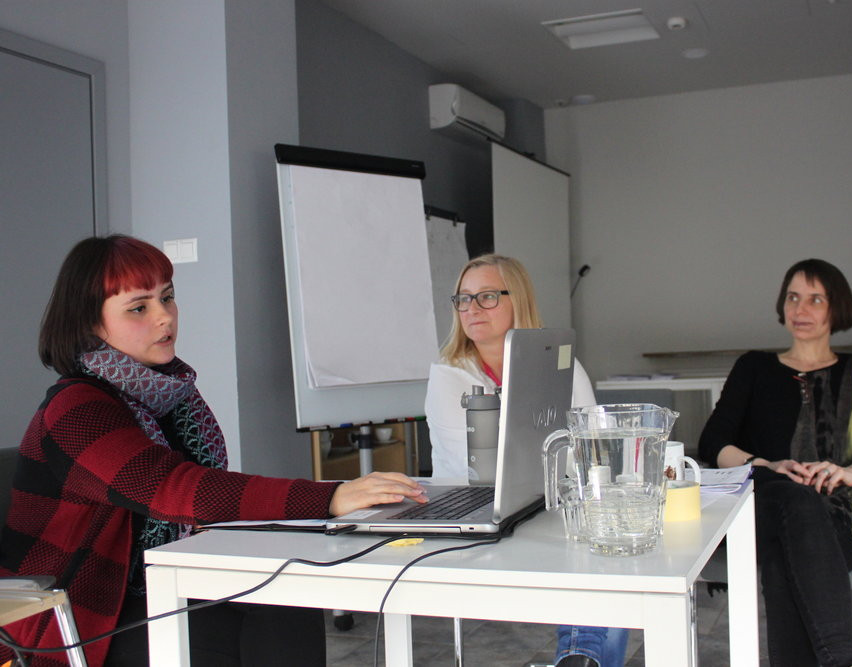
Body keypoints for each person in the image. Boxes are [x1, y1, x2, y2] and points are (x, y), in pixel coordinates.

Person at [0, 235, 427, 667]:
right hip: (74, 617)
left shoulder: (167, 397)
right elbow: (176, 490)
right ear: (90, 323)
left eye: (167, 297)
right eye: (139, 308)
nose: (165, 316)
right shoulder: (75, 408)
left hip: (155, 585)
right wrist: (331, 496)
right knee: (244, 632)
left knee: (285, 598)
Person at [698, 258, 852, 667]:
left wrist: (850, 473)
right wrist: (768, 465)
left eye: (815, 299)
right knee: (792, 498)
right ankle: (844, 662)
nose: (800, 309)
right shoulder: (753, 367)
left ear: (837, 307)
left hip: (841, 516)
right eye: (793, 297)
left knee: (783, 558)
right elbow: (713, 441)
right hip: (761, 506)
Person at [423, 253, 626, 667]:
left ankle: (580, 655)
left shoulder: (563, 365)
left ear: (518, 299)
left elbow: (592, 451)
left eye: (486, 296)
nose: (472, 308)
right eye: (463, 299)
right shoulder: (448, 375)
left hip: (545, 508)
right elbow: (481, 469)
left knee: (610, 541)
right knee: (589, 550)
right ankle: (583, 655)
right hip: (476, 516)